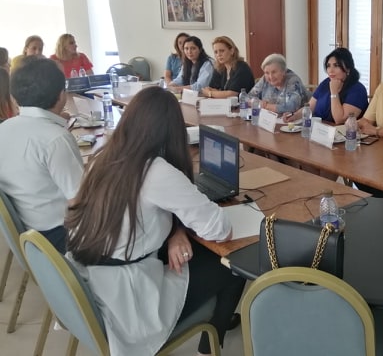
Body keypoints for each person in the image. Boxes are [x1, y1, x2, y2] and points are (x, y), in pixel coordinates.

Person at [65, 87, 245, 356]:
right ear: (173, 132)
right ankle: (209, 346)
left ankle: (218, 316)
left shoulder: (103, 156)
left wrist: (176, 231)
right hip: (129, 301)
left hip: (95, 279)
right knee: (232, 265)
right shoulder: (156, 172)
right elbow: (220, 229)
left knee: (198, 254)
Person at [0, 58, 83, 253]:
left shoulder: (4, 128)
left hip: (27, 231)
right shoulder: (55, 138)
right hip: (59, 237)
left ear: (14, 95)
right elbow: (80, 201)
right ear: (62, 95)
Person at [286, 47, 368, 124]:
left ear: (348, 69)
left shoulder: (358, 90)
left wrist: (334, 92)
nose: (330, 70)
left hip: (343, 132)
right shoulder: (326, 82)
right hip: (320, 130)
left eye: (336, 65)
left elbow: (339, 120)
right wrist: (294, 116)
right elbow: (310, 107)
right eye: (328, 66)